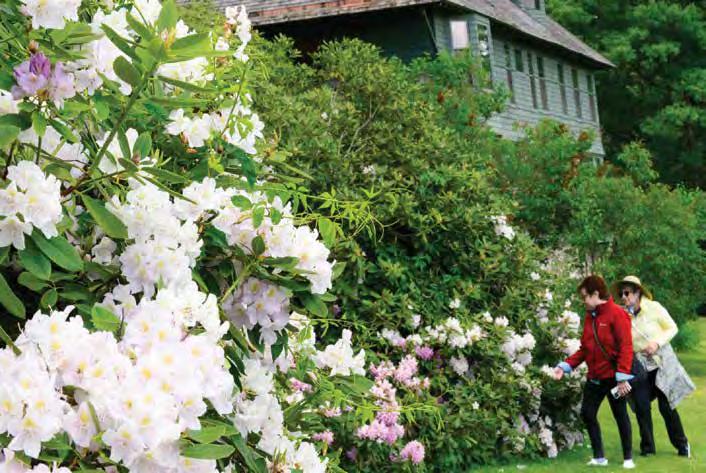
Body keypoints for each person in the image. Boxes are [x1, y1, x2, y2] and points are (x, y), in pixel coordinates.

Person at [553, 275, 635, 469]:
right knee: (587, 414)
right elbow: (585, 349)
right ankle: (599, 457)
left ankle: (628, 459)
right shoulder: (590, 316)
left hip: (614, 378)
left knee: (620, 415)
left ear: (595, 294)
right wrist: (565, 366)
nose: (583, 301)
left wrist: (622, 377)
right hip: (595, 377)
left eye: (585, 297)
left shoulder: (618, 314)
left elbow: (626, 347)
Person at [617, 275, 694, 458]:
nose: (623, 297)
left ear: (637, 293)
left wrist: (656, 343)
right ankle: (648, 448)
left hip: (662, 363)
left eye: (627, 293)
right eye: (621, 294)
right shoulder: (623, 316)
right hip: (639, 367)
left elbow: (672, 327)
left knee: (666, 407)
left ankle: (682, 444)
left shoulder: (654, 307)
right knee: (642, 405)